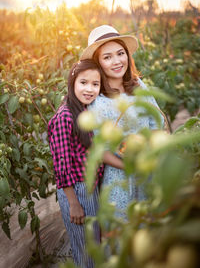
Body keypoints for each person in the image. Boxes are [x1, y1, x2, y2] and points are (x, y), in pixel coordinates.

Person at [80, 25, 165, 221]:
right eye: (107, 57)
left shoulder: (137, 85)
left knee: (151, 230)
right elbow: (99, 147)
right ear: (98, 64)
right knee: (124, 231)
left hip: (149, 168)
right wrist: (128, 165)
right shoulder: (96, 98)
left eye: (120, 53)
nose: (117, 61)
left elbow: (155, 122)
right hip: (119, 177)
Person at [48, 59, 123, 268]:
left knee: (93, 243)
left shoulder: (85, 111)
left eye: (95, 84)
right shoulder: (65, 116)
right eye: (83, 82)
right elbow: (61, 165)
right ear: (72, 82)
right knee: (86, 248)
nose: (89, 89)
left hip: (89, 188)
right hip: (77, 190)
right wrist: (73, 203)